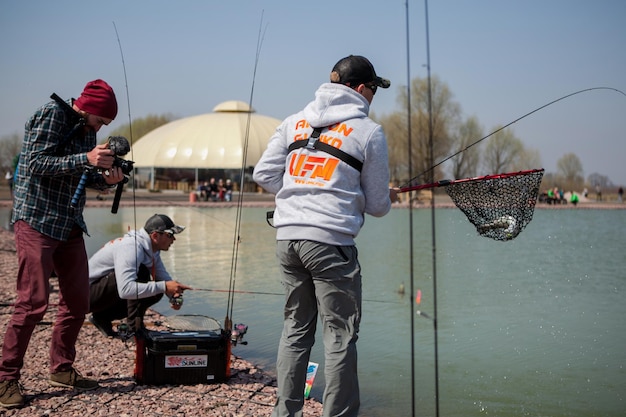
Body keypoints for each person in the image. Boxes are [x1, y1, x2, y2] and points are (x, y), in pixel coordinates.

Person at [253, 55, 397, 417]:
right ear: (361, 89)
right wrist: (377, 196)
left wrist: (301, 192)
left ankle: (285, 413)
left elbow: (263, 174)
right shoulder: (368, 131)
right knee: (339, 337)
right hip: (331, 243)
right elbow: (378, 205)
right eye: (374, 90)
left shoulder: (293, 122)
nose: (373, 97)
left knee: (295, 330)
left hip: (287, 240)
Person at [0, 79, 124, 409]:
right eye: (101, 121)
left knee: (78, 299)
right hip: (37, 219)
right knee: (32, 301)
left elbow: (81, 174)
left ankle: (62, 368)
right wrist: (86, 158)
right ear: (88, 108)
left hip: (68, 223)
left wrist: (107, 180)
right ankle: (6, 379)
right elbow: (36, 163)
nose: (101, 127)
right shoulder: (50, 115)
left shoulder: (87, 127)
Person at [88, 214, 192, 337]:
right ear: (155, 235)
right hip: (85, 296)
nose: (174, 239)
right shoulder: (131, 247)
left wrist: (174, 296)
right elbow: (126, 290)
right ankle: (134, 330)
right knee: (142, 274)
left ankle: (102, 317)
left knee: (157, 288)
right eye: (170, 235)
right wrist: (164, 286)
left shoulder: (152, 250)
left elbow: (164, 278)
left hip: (100, 294)